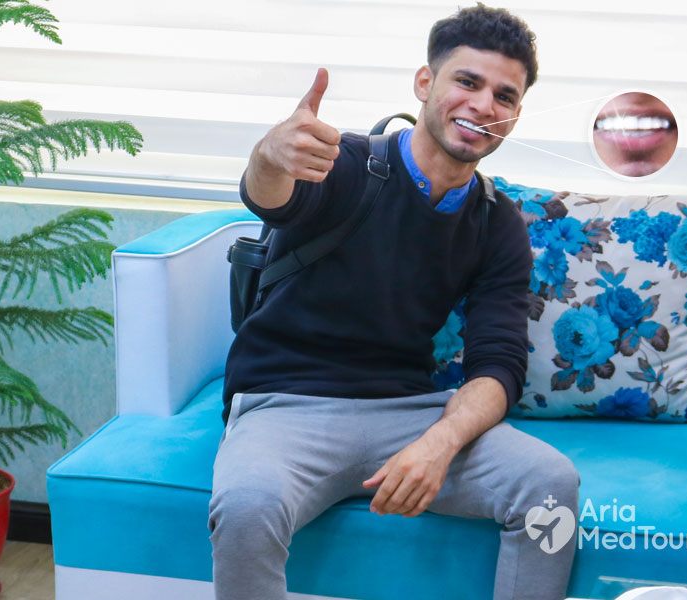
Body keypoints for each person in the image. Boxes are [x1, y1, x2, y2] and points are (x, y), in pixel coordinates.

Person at [208, 5, 580, 600]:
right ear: (425, 84)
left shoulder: (496, 221)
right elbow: (274, 199)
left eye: (504, 96)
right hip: (287, 405)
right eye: (467, 81)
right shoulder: (352, 165)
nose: (484, 105)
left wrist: (439, 442)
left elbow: (498, 365)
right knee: (248, 506)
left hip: (411, 411)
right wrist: (268, 157)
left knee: (550, 482)